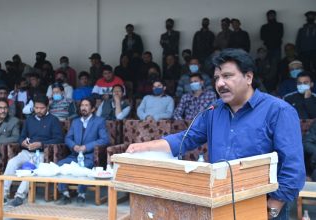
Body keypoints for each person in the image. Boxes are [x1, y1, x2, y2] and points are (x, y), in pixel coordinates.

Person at [127, 48, 305, 220]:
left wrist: (273, 207)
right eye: (217, 78)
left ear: (248, 77)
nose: (220, 83)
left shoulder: (278, 110)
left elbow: (292, 166)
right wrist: (145, 146)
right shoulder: (213, 110)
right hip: (221, 200)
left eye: (227, 76)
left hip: (263, 204)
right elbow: (186, 139)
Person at [4, 95, 63, 207]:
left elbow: (59, 139)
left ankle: (19, 196)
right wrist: (23, 143)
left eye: (41, 108)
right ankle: (4, 193)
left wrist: (41, 144)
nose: (38, 110)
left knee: (30, 167)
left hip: (42, 154)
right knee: (12, 163)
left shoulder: (53, 120)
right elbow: (21, 137)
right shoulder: (29, 120)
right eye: (36, 108)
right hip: (26, 151)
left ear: (47, 107)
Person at [57, 98, 109, 205]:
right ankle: (65, 194)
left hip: (89, 156)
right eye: (82, 105)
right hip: (74, 155)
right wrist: (74, 146)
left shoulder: (99, 121)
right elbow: (68, 138)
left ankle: (81, 194)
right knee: (60, 165)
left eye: (86, 105)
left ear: (93, 108)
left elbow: (104, 139)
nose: (83, 108)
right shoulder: (75, 122)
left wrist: (86, 147)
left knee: (84, 167)